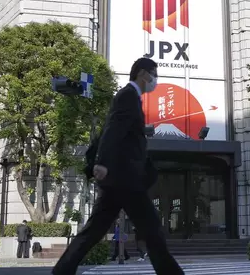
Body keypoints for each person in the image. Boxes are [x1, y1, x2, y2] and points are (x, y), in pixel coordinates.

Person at [52, 57, 184, 275]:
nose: (155, 79)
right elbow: (112, 130)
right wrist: (101, 162)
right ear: (143, 74)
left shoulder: (129, 97)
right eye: (154, 74)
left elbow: (113, 132)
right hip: (126, 179)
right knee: (152, 229)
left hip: (119, 179)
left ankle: (61, 271)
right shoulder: (127, 96)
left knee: (95, 231)